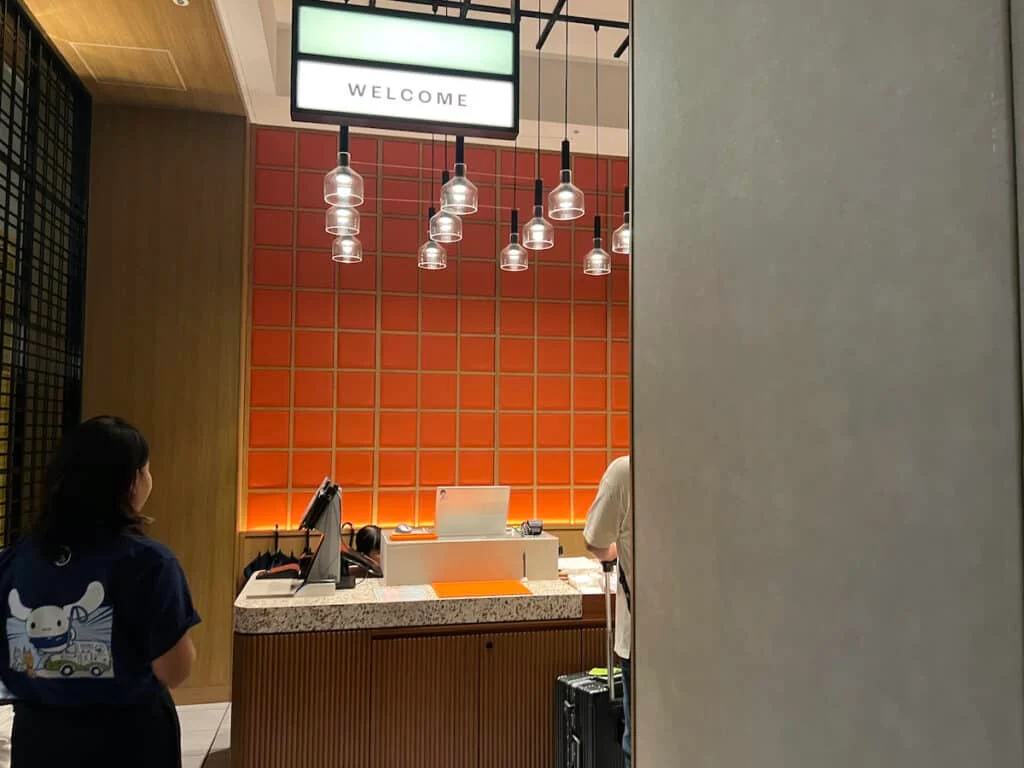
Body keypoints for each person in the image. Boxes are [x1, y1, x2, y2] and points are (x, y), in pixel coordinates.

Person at [0, 416, 200, 768]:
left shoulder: (14, 560)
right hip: (127, 740)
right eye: (147, 470)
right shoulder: (149, 563)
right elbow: (175, 670)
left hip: (38, 738)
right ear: (132, 482)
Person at [583, 456, 633, 767]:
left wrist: (616, 552)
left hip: (642, 642)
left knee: (640, 744)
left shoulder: (625, 471)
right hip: (708, 638)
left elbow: (594, 540)